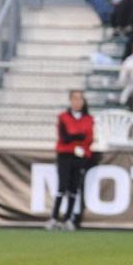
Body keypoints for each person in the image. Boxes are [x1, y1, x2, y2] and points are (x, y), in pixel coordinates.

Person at [46, 90, 94, 230]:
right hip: (65, 155)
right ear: (70, 100)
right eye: (75, 99)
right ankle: (54, 217)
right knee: (62, 186)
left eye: (80, 99)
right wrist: (78, 137)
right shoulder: (63, 117)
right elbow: (64, 137)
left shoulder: (88, 119)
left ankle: (68, 218)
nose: (77, 102)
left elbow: (88, 139)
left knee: (74, 188)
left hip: (80, 156)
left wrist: (76, 138)